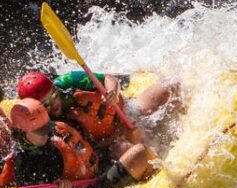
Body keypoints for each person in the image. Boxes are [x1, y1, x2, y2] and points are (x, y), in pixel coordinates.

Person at [17, 70, 162, 181]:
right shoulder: (41, 125)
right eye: (45, 104)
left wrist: (112, 92)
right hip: (105, 146)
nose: (53, 105)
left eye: (54, 96)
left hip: (121, 117)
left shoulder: (66, 83)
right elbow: (86, 148)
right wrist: (121, 134)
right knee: (129, 149)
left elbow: (108, 78)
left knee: (163, 91)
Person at [0, 98, 112, 188]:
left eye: (47, 128)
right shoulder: (26, 165)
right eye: (40, 132)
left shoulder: (56, 129)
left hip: (93, 173)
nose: (46, 134)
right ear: (22, 132)